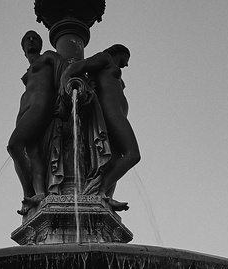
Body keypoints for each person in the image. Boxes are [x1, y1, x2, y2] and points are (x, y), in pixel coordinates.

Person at [60, 45, 139, 209]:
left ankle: (106, 195)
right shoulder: (105, 58)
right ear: (121, 52)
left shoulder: (110, 66)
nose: (127, 64)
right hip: (111, 112)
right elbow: (75, 68)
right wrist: (65, 85)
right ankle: (100, 191)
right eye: (126, 58)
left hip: (117, 113)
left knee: (114, 158)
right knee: (133, 154)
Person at [7, 31, 63, 212]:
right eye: (27, 39)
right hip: (25, 109)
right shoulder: (26, 75)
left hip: (41, 104)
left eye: (35, 38)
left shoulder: (47, 57)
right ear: (23, 48)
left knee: (14, 145)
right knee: (31, 151)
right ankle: (38, 193)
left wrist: (65, 95)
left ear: (41, 43)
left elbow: (64, 69)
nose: (31, 40)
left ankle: (28, 193)